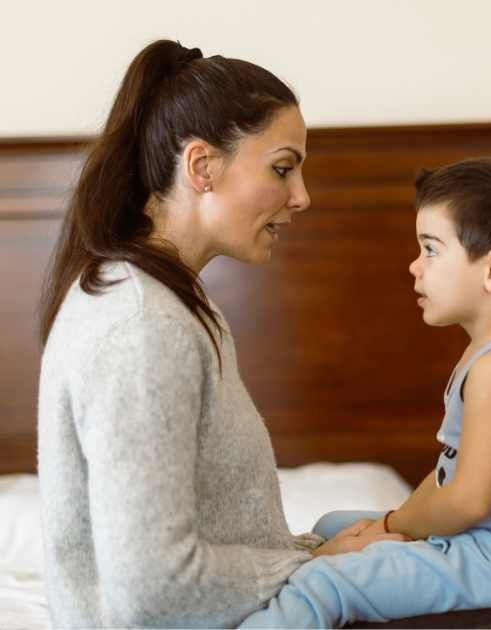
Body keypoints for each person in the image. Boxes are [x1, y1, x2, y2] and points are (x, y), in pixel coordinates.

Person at [36, 40, 408, 628]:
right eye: (282, 168)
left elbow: (211, 541)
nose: (302, 196)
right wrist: (315, 566)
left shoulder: (169, 301)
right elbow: (153, 588)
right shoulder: (141, 326)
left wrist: (314, 551)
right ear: (202, 166)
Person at [239, 157, 491, 627]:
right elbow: (447, 477)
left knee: (325, 581)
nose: (414, 266)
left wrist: (391, 527)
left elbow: (466, 500)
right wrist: (390, 524)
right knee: (331, 526)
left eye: (430, 249)